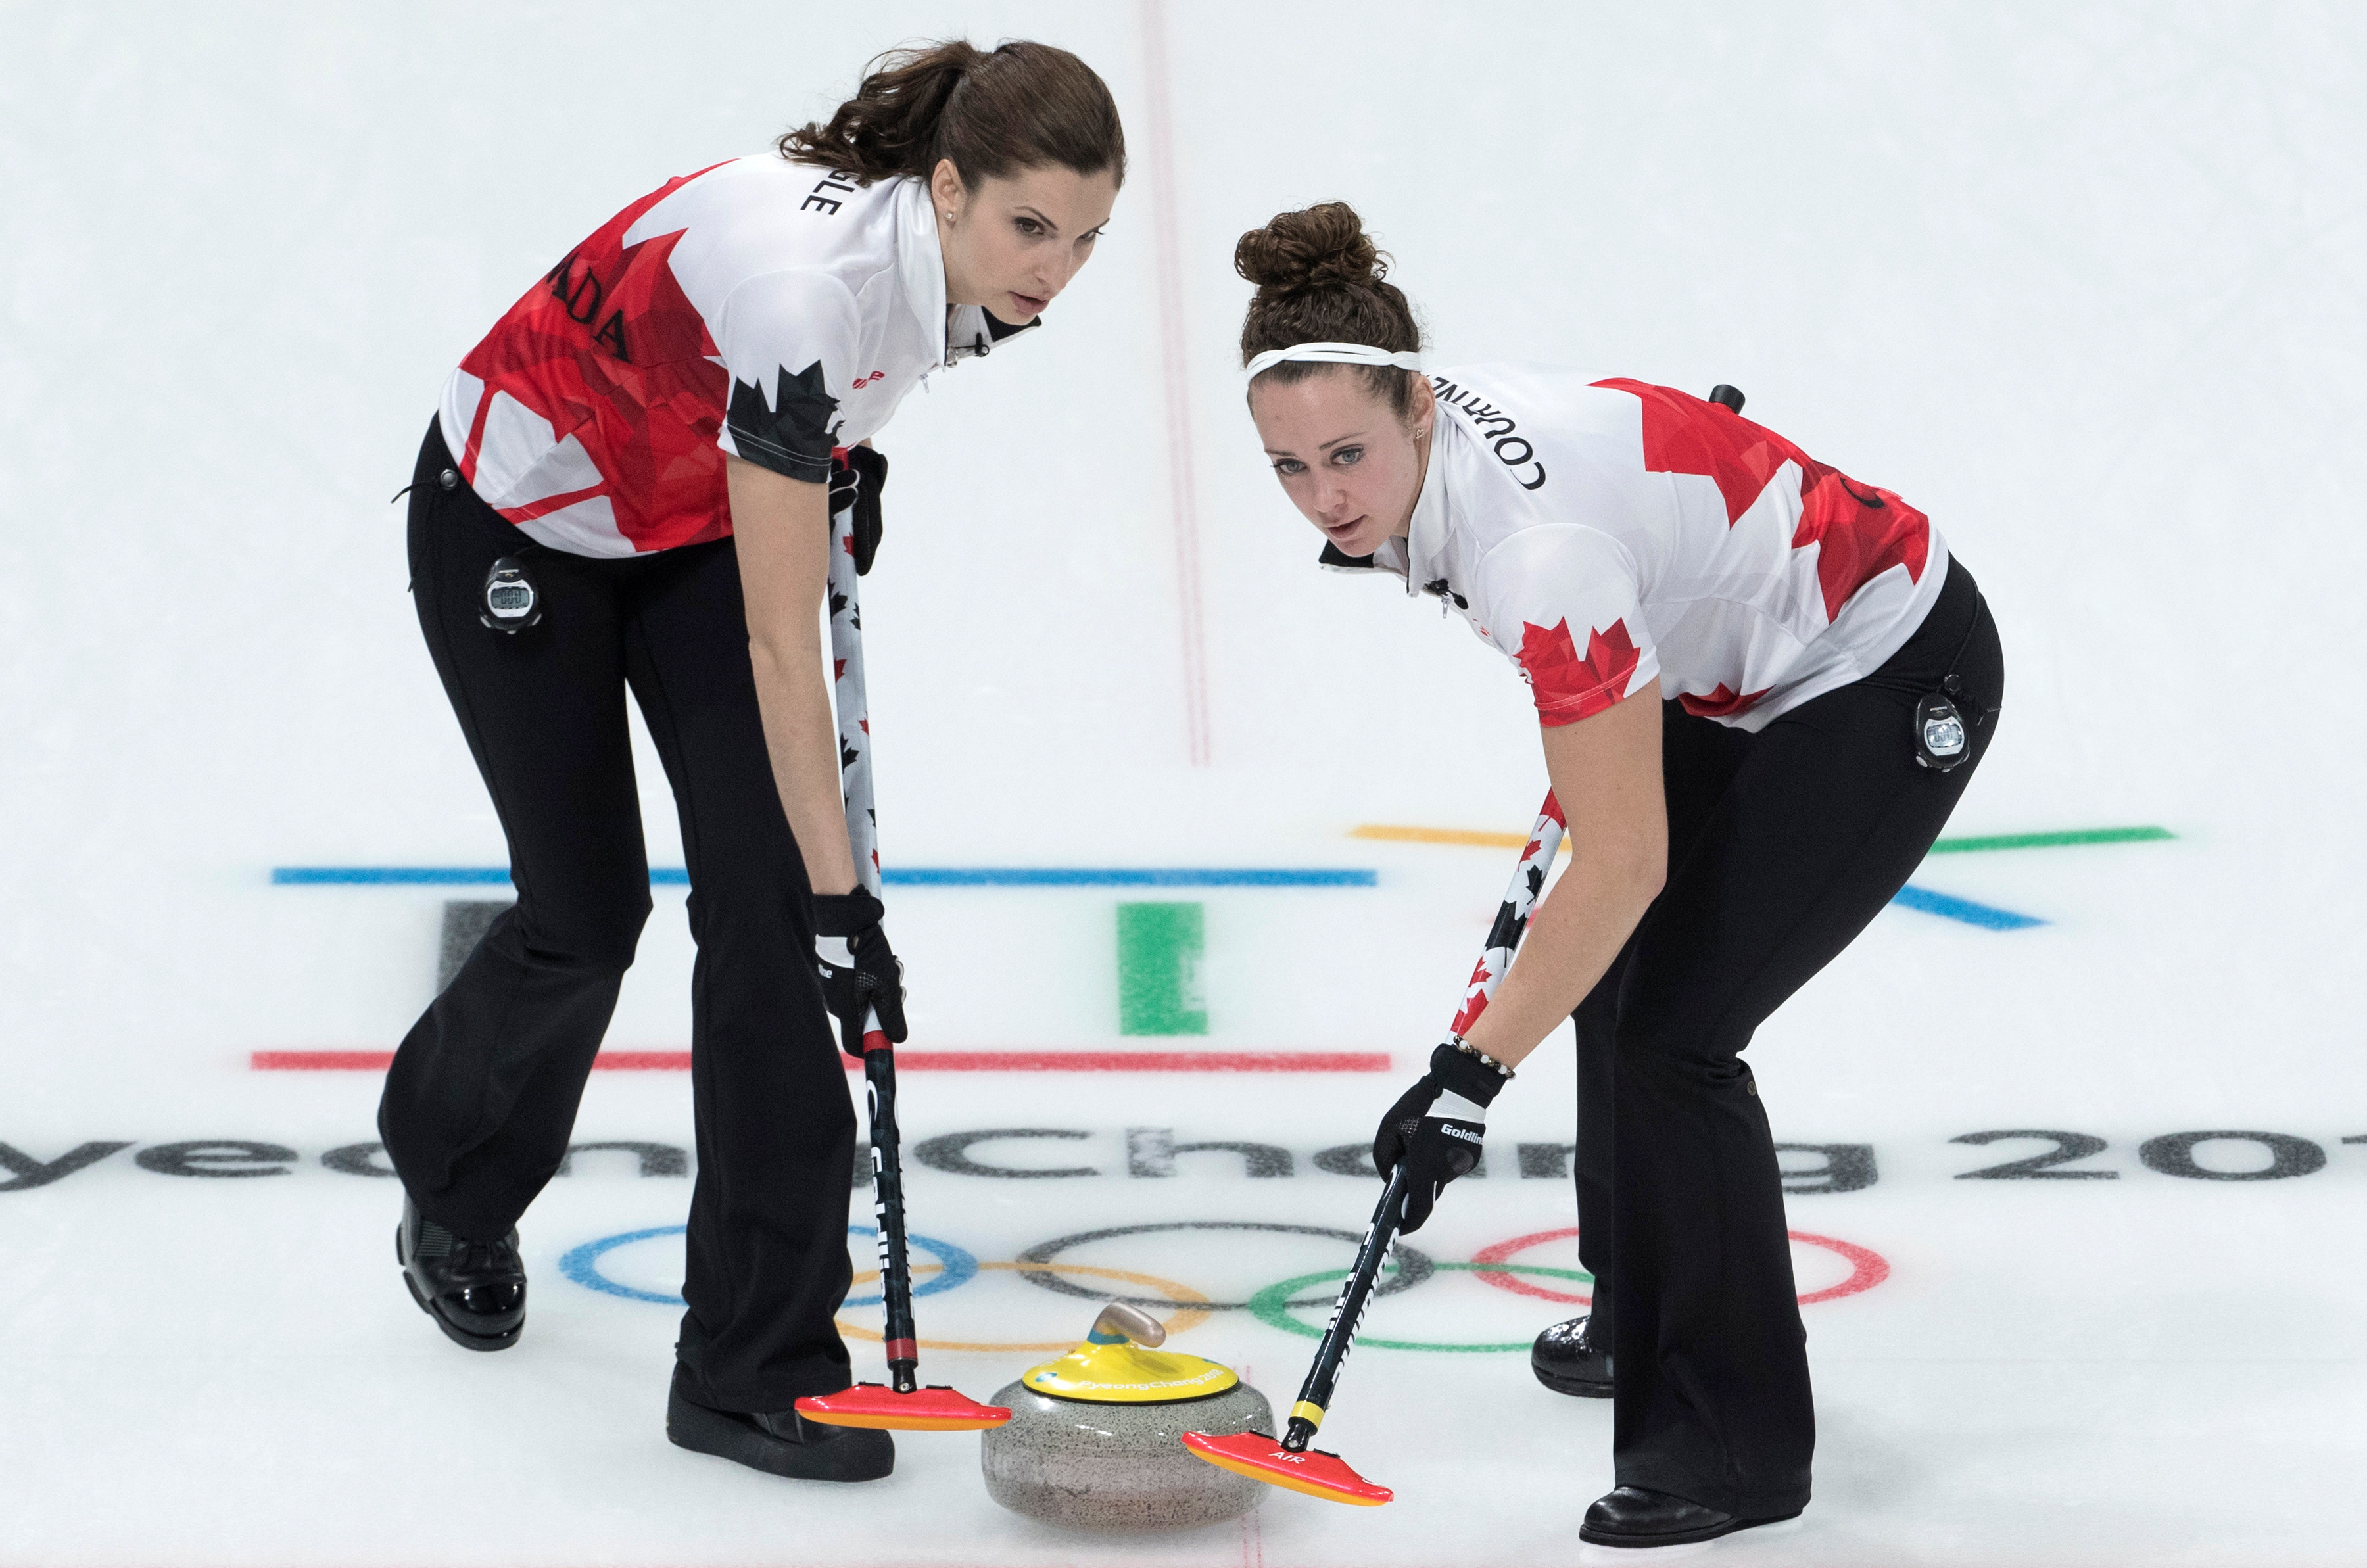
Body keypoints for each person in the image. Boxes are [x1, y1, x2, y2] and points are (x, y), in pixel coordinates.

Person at [377, 40, 1124, 1484]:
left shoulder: (940, 276)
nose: (1060, 270)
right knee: (589, 913)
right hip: (519, 514)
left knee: (772, 920)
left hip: (689, 513)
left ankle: (748, 1364)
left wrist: (819, 901)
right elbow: (791, 653)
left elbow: (806, 578)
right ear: (948, 185)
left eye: (1089, 237)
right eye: (1032, 228)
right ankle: (454, 1174)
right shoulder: (811, 299)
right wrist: (857, 909)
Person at [1234, 203, 2002, 1546]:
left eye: (1347, 454)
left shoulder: (1543, 558)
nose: (1326, 498)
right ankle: (1640, 1304)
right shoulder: (1440, 436)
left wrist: (1465, 1079)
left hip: (1883, 670)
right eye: (1290, 467)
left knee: (1677, 1034)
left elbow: (1627, 855)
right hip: (1731, 669)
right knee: (1612, 978)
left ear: (1421, 404)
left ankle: (1731, 1452)